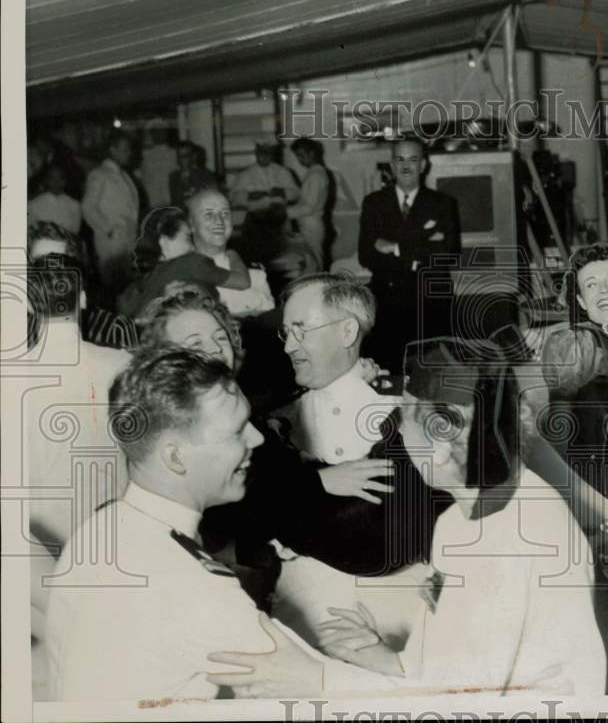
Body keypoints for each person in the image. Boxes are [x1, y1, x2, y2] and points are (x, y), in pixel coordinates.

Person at [231, 337, 608, 697]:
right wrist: (387, 659)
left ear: (441, 444)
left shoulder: (513, 540)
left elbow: (458, 702)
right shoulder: (462, 515)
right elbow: (452, 670)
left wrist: (321, 680)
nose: (397, 433)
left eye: (403, 420)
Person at [44, 348, 389, 701]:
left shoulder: (100, 529)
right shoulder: (189, 584)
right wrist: (391, 669)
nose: (256, 439)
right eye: (237, 431)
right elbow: (348, 698)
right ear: (175, 457)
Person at [269, 272, 443, 646]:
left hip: (396, 613)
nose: (288, 347)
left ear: (347, 333)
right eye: (286, 332)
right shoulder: (273, 424)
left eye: (301, 329)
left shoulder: (405, 415)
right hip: (300, 611)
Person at [23, 254, 132, 639]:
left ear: (29, 303)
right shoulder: (124, 365)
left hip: (38, 558)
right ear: (83, 298)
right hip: (114, 544)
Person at [358, 137, 461, 373]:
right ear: (391, 166)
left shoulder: (443, 204)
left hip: (432, 304)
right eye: (400, 159)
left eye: (413, 159)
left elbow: (448, 255)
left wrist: (396, 248)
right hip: (387, 304)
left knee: (433, 378)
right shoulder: (374, 204)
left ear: (423, 165)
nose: (406, 166)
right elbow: (366, 255)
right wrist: (423, 246)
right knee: (388, 375)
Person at [117, 206, 250, 318]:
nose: (194, 246)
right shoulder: (192, 263)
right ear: (163, 241)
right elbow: (243, 282)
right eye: (188, 238)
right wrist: (232, 254)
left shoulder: (137, 282)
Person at [27, 221, 138, 349]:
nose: (50, 276)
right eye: (39, 267)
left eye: (58, 266)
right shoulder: (17, 331)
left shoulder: (116, 329)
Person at [187, 188, 275, 316]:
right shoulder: (180, 270)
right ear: (191, 225)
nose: (219, 221)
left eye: (225, 214)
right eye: (209, 214)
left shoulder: (254, 271)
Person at [81, 129, 140, 297]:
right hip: (112, 243)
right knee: (114, 291)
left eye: (129, 149)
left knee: (127, 290)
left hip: (127, 242)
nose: (129, 153)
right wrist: (109, 229)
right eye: (124, 149)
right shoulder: (99, 174)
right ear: (112, 150)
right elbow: (87, 207)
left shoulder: (124, 176)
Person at [230, 136, 300, 231]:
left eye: (268, 153)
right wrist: (249, 195)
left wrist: (282, 192)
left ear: (273, 154)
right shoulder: (245, 173)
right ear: (256, 153)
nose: (264, 156)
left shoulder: (282, 171)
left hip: (279, 218)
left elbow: (296, 194)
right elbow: (233, 198)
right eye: (261, 153)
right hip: (255, 220)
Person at [289, 137, 331, 269]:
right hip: (308, 224)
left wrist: (285, 212)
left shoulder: (316, 175)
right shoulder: (313, 173)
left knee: (314, 265)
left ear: (312, 154)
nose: (299, 160)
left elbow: (309, 207)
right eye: (297, 157)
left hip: (312, 225)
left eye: (301, 156)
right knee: (311, 263)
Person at [27, 164, 82, 234]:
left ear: (65, 181)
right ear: (46, 180)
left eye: (60, 179)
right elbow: (29, 228)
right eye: (52, 179)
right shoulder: (33, 204)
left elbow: (75, 231)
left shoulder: (74, 206)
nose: (56, 182)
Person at [139, 117, 177, 210]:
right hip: (151, 203)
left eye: (162, 131)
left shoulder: (174, 153)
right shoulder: (144, 155)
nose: (160, 134)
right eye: (156, 131)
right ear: (151, 134)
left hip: (171, 201)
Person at [169, 141, 218, 207]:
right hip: (180, 214)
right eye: (180, 156)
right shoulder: (174, 177)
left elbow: (212, 196)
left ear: (192, 156)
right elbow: (175, 203)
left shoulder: (206, 174)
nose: (183, 159)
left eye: (186, 155)